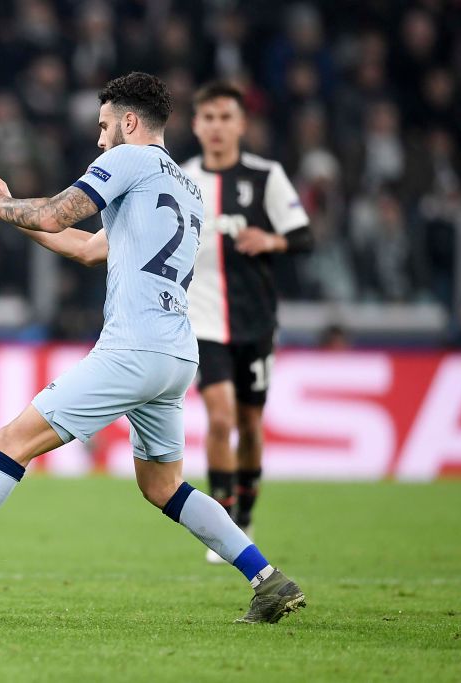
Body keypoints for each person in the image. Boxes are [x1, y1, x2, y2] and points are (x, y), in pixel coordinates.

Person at [0, 72, 306, 624]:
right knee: (163, 485)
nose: (99, 138)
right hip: (176, 354)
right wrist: (7, 204)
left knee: (12, 440)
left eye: (105, 125)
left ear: (130, 122)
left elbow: (55, 213)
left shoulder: (128, 160)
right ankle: (267, 579)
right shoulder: (185, 186)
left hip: (133, 348)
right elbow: (87, 247)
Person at [180, 82, 313, 563]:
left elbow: (304, 237)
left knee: (251, 426)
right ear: (196, 125)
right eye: (208, 118)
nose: (217, 127)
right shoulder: (182, 178)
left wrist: (271, 240)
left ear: (241, 124)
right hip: (202, 321)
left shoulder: (265, 176)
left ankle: (247, 512)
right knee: (220, 419)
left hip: (256, 322)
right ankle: (225, 525)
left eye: (225, 118)